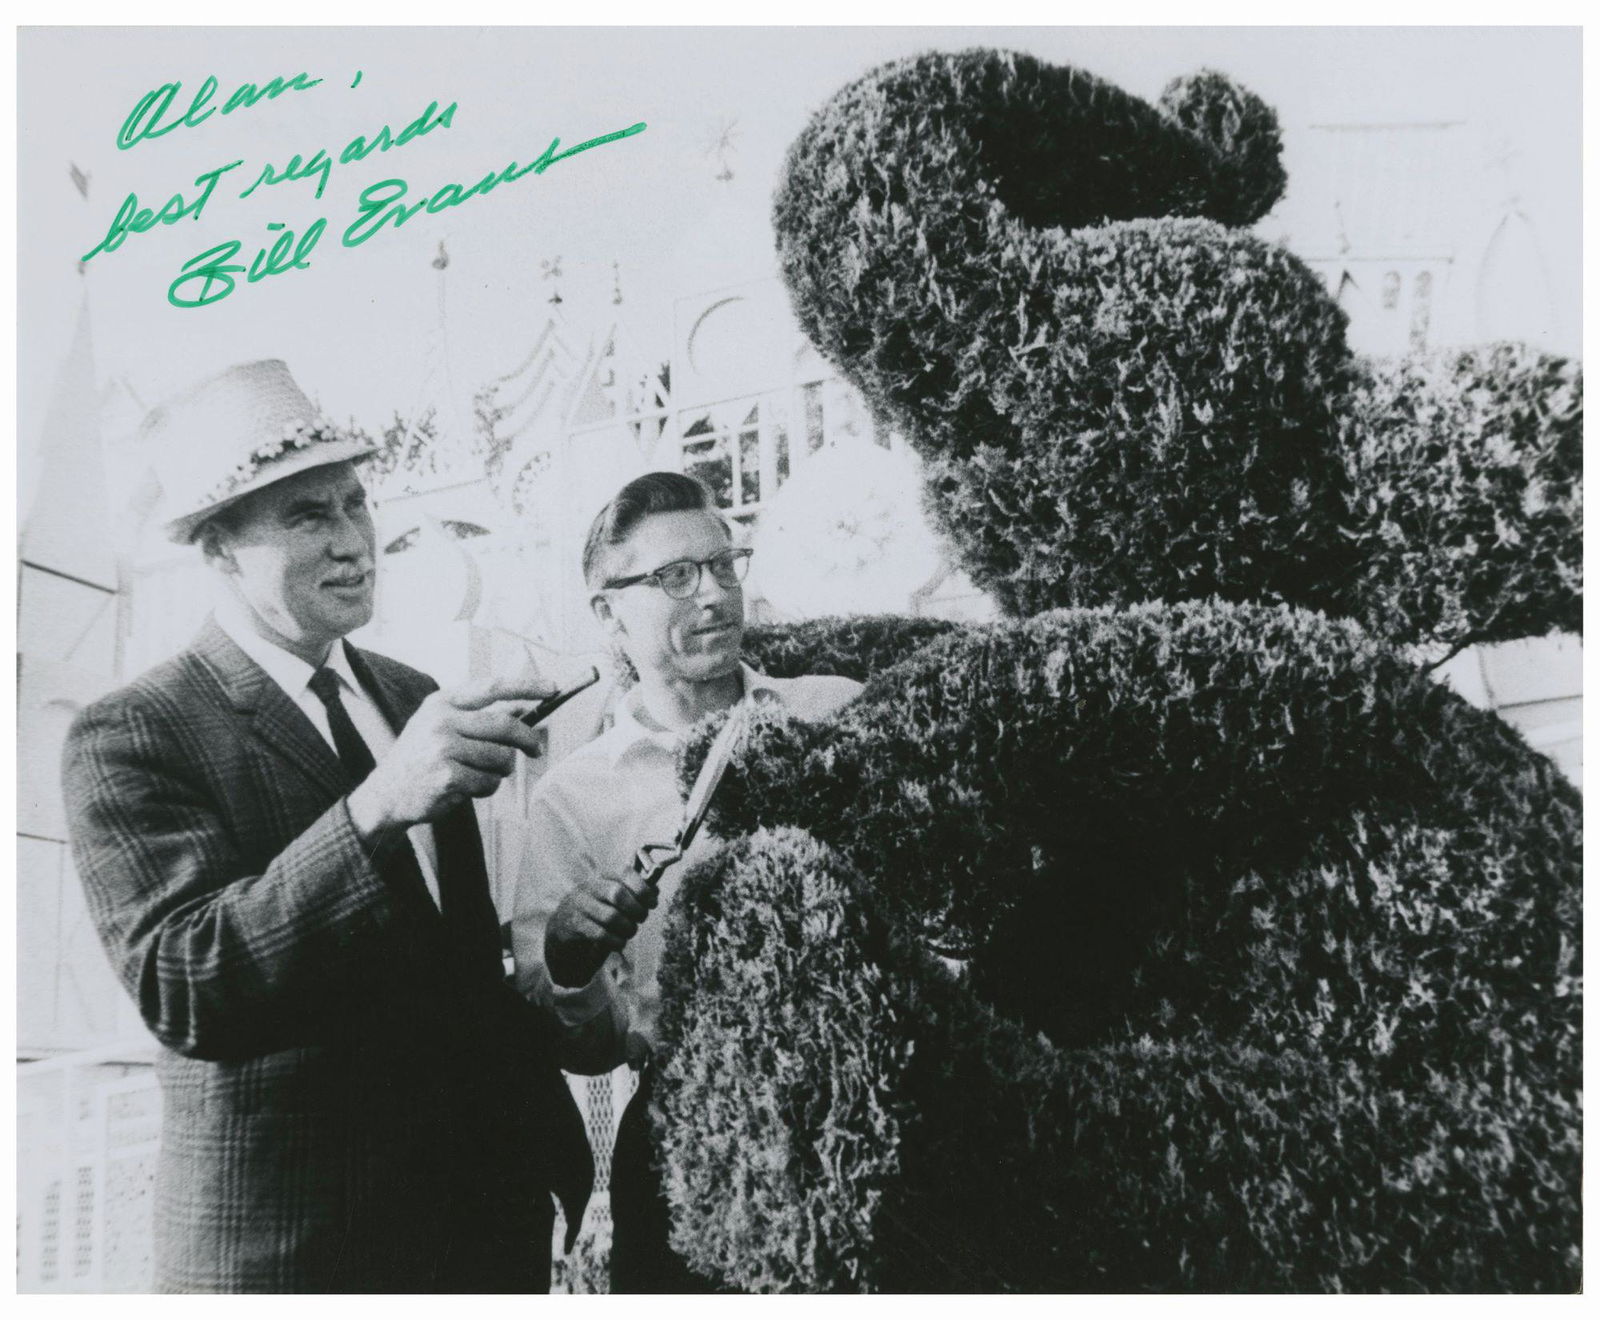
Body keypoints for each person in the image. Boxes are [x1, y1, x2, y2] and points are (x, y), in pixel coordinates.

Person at [61, 360, 591, 1293]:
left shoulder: (412, 696)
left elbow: (448, 972)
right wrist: (377, 807)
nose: (352, 542)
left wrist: (565, 955)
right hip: (294, 1262)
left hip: (477, 1241)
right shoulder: (134, 731)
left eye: (355, 504)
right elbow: (184, 985)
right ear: (220, 550)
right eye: (308, 516)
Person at [505, 471, 862, 1292]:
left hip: (863, 1103)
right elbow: (586, 1054)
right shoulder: (574, 798)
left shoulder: (833, 714)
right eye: (674, 576)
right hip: (686, 1134)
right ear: (608, 614)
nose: (713, 593)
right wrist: (571, 961)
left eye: (723, 565)